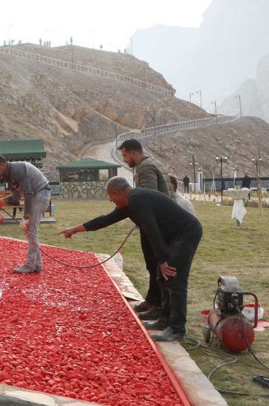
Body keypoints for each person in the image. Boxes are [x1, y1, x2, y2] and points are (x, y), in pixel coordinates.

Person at [58, 177, 202, 342]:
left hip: (186, 233)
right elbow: (105, 220)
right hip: (174, 236)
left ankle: (177, 328)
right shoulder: (128, 204)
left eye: (110, 196)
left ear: (117, 193)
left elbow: (151, 229)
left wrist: (162, 260)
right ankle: (165, 320)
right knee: (162, 276)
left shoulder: (136, 199)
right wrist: (74, 229)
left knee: (173, 277)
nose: (110, 200)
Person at [118, 139, 172, 320]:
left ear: (134, 153)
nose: (124, 160)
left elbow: (149, 198)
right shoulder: (153, 163)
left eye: (125, 155)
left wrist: (140, 217)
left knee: (157, 265)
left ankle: (158, 305)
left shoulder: (145, 168)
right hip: (158, 221)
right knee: (152, 265)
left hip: (156, 224)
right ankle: (152, 299)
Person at [0, 154, 51, 274]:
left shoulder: (17, 170)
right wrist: (0, 202)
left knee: (31, 231)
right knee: (30, 232)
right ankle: (36, 265)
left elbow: (28, 193)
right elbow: (16, 195)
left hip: (40, 193)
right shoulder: (9, 175)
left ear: (3, 164)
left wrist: (26, 216)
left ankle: (30, 265)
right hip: (37, 194)